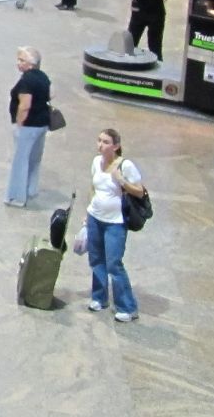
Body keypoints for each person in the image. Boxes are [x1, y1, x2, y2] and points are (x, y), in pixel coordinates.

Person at [81, 127, 146, 322]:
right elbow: (93, 188)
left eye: (106, 142)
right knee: (96, 259)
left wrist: (121, 181)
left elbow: (140, 191)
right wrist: (88, 212)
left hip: (115, 223)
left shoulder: (125, 166)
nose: (100, 145)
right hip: (95, 218)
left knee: (114, 264)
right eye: (99, 140)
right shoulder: (95, 162)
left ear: (116, 146)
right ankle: (99, 297)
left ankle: (127, 306)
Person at [6, 46, 53, 208]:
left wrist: (19, 125)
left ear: (31, 64)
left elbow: (25, 105)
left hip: (29, 126)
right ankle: (31, 190)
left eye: (22, 60)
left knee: (20, 161)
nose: (18, 63)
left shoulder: (27, 80)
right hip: (42, 124)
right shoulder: (44, 77)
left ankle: (16, 197)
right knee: (34, 159)